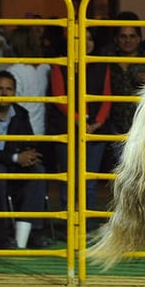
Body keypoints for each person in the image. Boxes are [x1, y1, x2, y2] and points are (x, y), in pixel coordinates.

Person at [0, 70, 49, 249]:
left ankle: (30, 233)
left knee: (38, 171)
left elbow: (28, 141)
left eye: (9, 89)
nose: (4, 93)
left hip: (13, 165)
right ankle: (0, 236)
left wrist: (29, 155)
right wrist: (14, 157)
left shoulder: (21, 113)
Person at [47, 28, 112, 221]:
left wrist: (98, 122)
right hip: (67, 129)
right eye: (80, 39)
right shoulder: (61, 64)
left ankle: (86, 222)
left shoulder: (102, 64)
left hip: (96, 130)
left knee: (89, 180)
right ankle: (69, 223)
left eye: (89, 38)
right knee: (69, 179)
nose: (85, 42)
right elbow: (60, 98)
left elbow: (107, 96)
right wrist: (79, 120)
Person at [107, 12, 145, 137]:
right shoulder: (107, 61)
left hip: (143, 124)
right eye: (123, 36)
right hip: (113, 126)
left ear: (139, 39)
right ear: (116, 39)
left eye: (132, 36)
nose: (128, 41)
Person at [6, 26, 51, 137]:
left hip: (23, 130)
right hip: (44, 129)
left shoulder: (14, 71)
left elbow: (13, 105)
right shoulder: (45, 67)